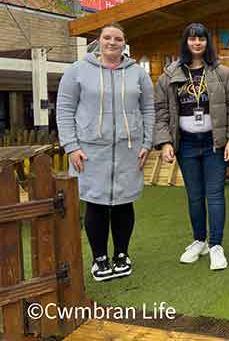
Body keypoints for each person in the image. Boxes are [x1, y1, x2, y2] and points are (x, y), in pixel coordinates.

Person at [56, 22, 154, 281]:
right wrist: (71, 146)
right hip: (89, 151)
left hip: (128, 150)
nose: (112, 42)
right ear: (98, 41)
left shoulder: (138, 73)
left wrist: (146, 143)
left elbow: (148, 110)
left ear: (125, 43)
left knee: (124, 204)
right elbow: (64, 110)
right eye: (107, 37)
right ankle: (100, 259)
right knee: (96, 205)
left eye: (118, 38)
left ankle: (122, 255)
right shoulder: (77, 71)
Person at [153, 23, 229, 270]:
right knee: (194, 196)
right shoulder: (169, 75)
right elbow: (161, 111)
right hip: (187, 145)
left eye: (201, 39)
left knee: (214, 195)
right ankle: (199, 241)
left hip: (215, 143)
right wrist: (165, 142)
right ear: (186, 42)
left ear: (207, 43)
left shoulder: (222, 72)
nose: (197, 43)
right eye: (192, 39)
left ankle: (216, 245)